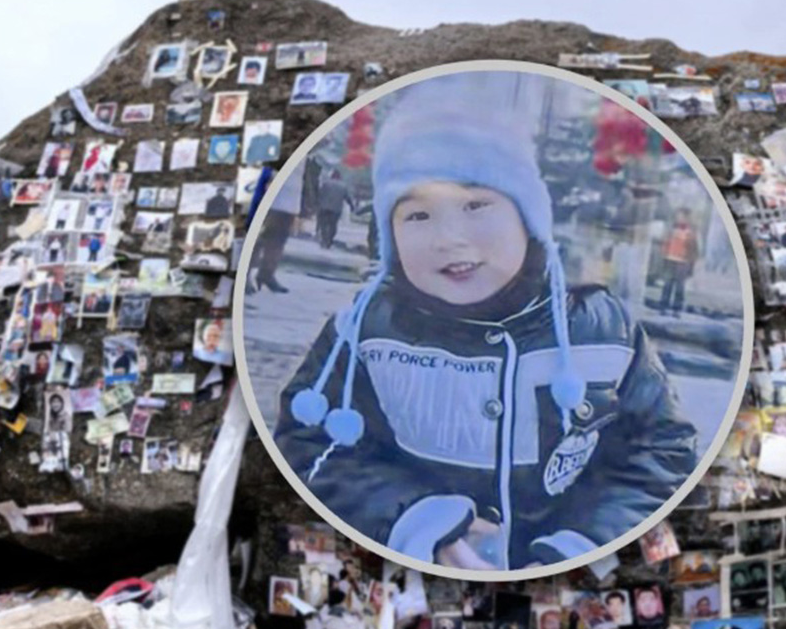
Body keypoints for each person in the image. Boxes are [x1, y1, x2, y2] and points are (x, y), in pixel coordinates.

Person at [274, 74, 697, 571]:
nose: (450, 237)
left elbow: (661, 450)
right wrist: (414, 520)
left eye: (476, 205)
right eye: (417, 216)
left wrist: (582, 544)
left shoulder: (602, 330)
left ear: (528, 218)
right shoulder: (363, 332)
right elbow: (310, 442)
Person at [658, 207, 699, 317]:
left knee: (679, 287)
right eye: (678, 216)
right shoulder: (671, 230)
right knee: (667, 285)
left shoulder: (691, 233)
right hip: (670, 259)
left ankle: (677, 308)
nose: (679, 219)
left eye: (681, 216)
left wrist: (691, 265)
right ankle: (663, 306)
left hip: (682, 262)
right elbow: (665, 243)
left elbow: (694, 251)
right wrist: (664, 255)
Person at [316, 170, 353, 249]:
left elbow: (319, 194)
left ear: (332, 176)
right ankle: (329, 240)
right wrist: (352, 207)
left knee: (323, 224)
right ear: (339, 177)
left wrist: (317, 203)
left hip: (324, 207)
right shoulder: (343, 186)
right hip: (336, 209)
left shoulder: (326, 184)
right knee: (333, 225)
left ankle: (324, 238)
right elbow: (348, 198)